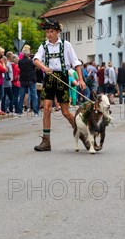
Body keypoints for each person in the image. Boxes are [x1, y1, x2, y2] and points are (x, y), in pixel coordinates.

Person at [32, 18, 89, 152]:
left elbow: (76, 63)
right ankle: (46, 141)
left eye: (51, 31)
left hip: (62, 78)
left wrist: (80, 79)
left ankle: (82, 135)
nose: (49, 34)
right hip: (50, 78)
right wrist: (44, 68)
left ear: (58, 32)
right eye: (47, 32)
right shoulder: (44, 46)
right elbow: (36, 59)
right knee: (46, 109)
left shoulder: (65, 44)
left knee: (65, 112)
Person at [18, 47, 39, 116]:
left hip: (23, 80)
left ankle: (19, 111)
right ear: (28, 54)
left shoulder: (20, 61)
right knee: (34, 95)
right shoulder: (31, 61)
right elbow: (36, 67)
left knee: (21, 96)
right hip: (31, 79)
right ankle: (36, 111)